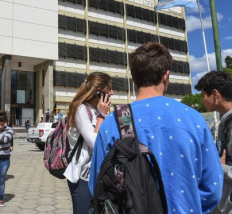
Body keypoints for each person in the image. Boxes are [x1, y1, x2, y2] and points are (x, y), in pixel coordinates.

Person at [89, 43, 223, 213]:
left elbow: (97, 185)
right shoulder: (194, 119)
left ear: (134, 79)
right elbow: (213, 189)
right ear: (166, 76)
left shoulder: (113, 122)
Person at [64, 72, 113, 214]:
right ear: (99, 92)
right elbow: (94, 142)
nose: (112, 93)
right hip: (82, 178)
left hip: (97, 174)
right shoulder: (81, 109)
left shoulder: (95, 110)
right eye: (109, 89)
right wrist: (101, 115)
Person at [195, 71, 232, 214]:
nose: (202, 101)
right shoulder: (225, 122)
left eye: (203, 95)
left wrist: (217, 166)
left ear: (215, 94)